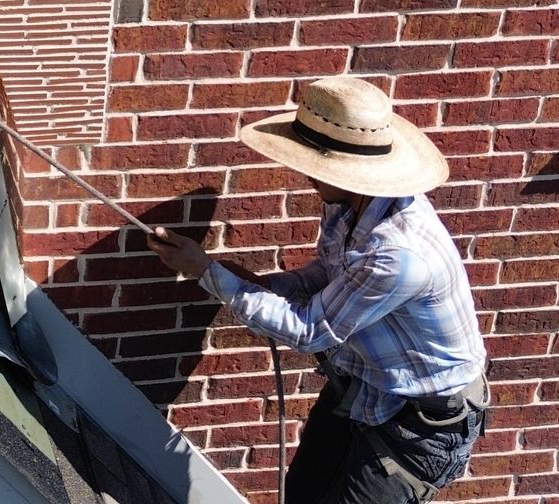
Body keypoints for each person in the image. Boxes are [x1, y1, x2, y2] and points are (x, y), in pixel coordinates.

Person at [148, 75, 489, 504]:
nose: (303, 173)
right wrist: (248, 281)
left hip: (419, 425)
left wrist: (208, 275)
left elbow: (311, 331)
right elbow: (325, 277)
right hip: (363, 388)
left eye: (312, 163)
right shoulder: (349, 207)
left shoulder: (399, 255)